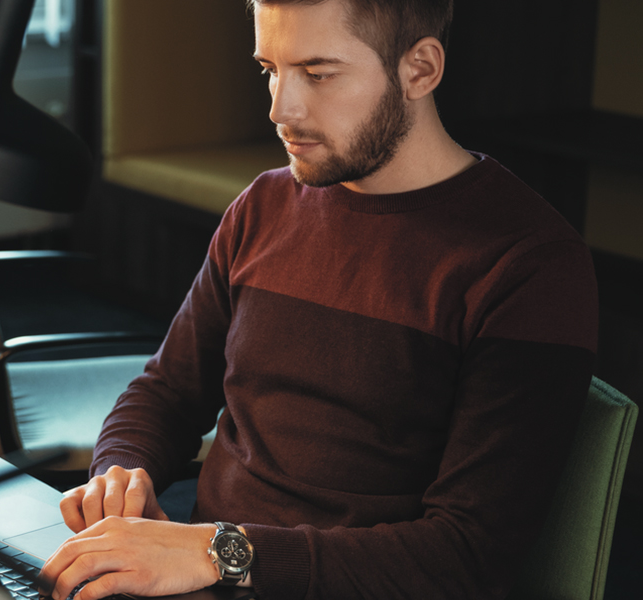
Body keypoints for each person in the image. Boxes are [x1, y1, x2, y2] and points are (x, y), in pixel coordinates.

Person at [38, 0, 598, 598]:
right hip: (204, 579)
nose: (282, 108)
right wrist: (121, 471)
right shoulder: (263, 205)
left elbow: (466, 555)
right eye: (269, 69)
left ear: (421, 69)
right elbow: (168, 392)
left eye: (318, 73)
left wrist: (217, 551)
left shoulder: (530, 265)